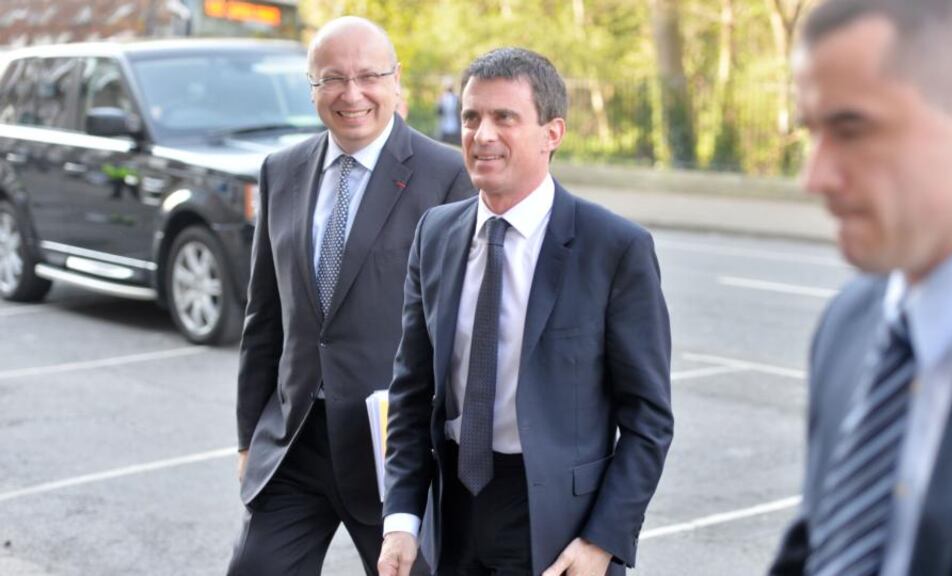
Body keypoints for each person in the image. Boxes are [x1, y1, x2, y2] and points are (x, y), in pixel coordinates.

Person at [377, 47, 674, 576]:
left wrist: (601, 541)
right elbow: (411, 389)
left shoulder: (614, 248)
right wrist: (401, 517)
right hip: (455, 513)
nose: (482, 134)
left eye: (504, 118)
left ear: (552, 133)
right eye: (471, 117)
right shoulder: (436, 233)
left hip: (558, 529)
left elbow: (648, 420)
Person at [770, 0, 952, 575]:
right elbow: (820, 545)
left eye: (851, 129)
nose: (814, 177)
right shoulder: (849, 324)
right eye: (813, 132)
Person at [230, 16, 473, 576]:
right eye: (333, 78)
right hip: (295, 444)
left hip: (394, 449)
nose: (352, 93)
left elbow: (464, 333)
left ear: (396, 81)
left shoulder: (447, 178)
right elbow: (264, 318)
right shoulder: (280, 171)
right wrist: (248, 438)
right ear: (312, 86)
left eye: (368, 75)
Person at [435, 77, 460, 145]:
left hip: (453, 127)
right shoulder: (443, 98)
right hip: (445, 127)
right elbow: (439, 112)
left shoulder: (455, 98)